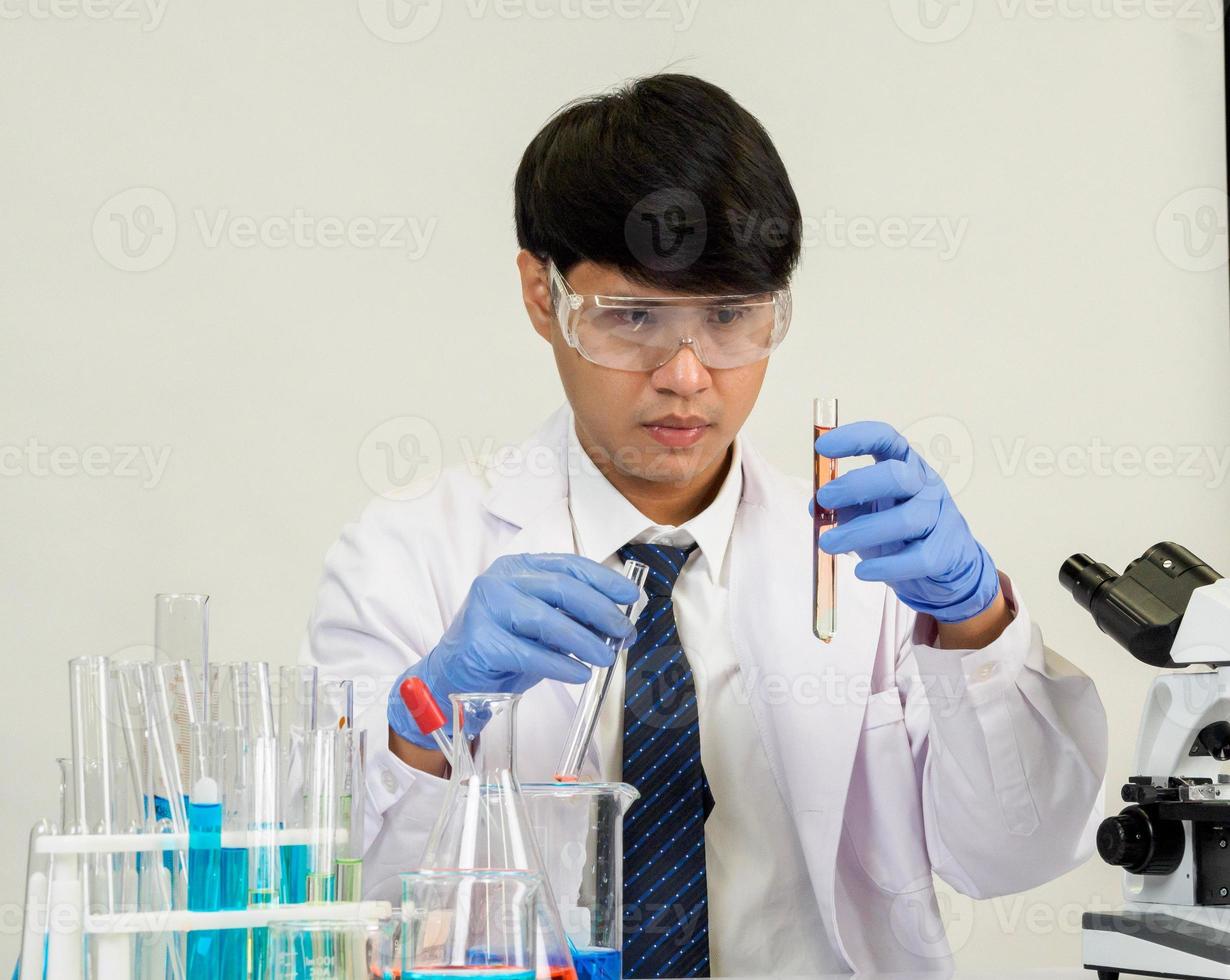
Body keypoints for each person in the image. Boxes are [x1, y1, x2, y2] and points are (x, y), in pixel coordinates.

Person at [304, 73, 1108, 976]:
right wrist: (424, 730)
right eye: (635, 317)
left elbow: (1017, 854)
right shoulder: (409, 553)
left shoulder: (867, 561)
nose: (687, 374)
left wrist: (975, 630)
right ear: (543, 295)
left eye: (729, 317)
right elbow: (343, 917)